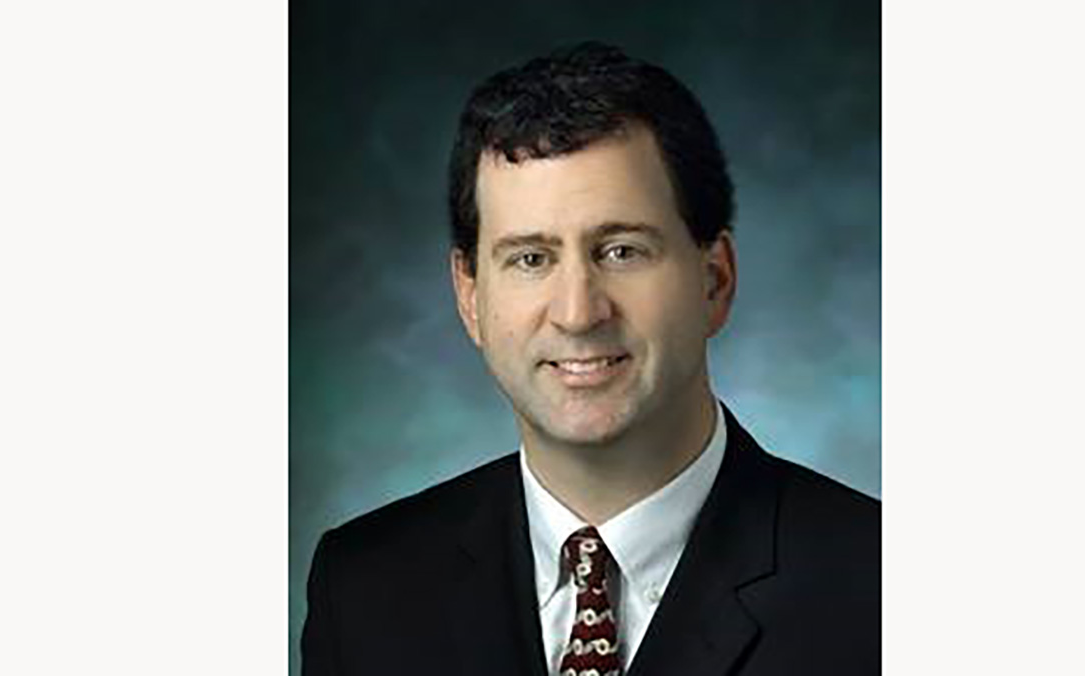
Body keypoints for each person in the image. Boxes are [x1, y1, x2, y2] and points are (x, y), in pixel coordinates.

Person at [302, 42, 880, 676]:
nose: (578, 313)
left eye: (622, 251)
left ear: (714, 280)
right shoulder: (362, 589)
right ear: (470, 296)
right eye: (530, 259)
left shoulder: (877, 590)